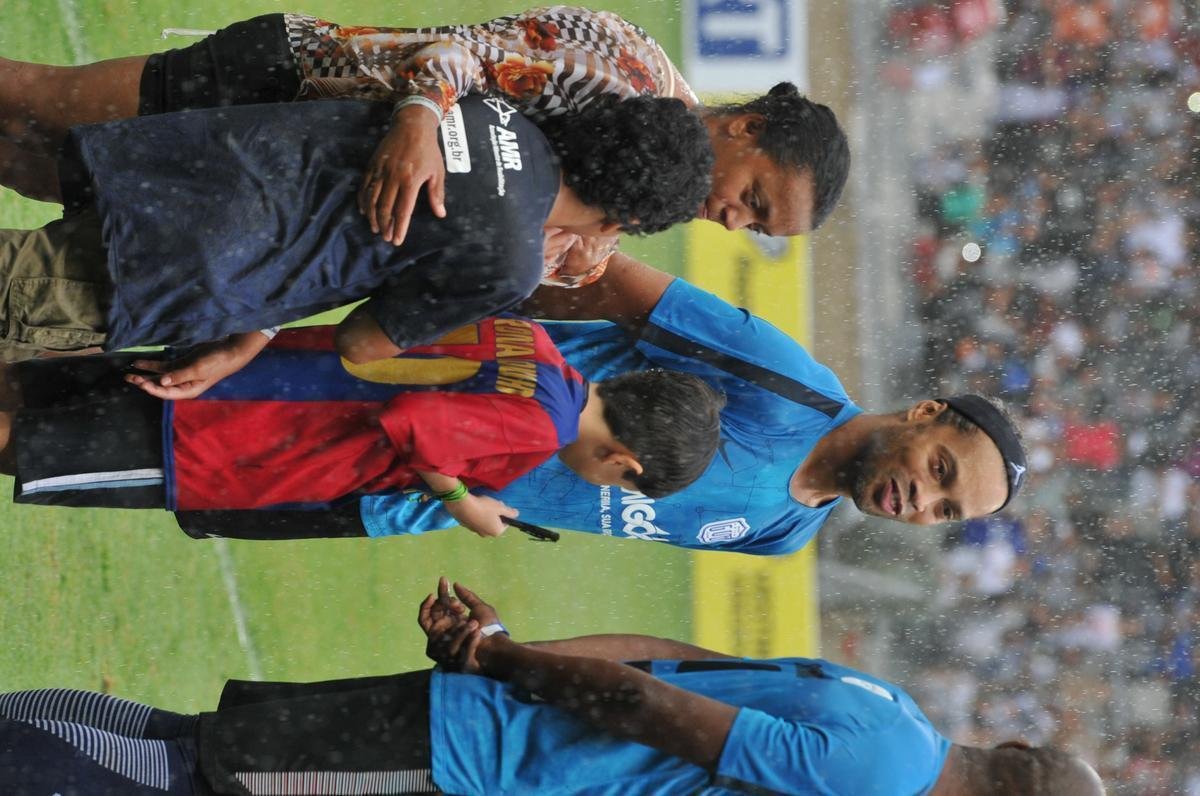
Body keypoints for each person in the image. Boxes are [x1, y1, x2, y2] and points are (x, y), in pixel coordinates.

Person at [175, 255, 1029, 549]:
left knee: (160, 492)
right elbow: (612, 283)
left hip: (397, 507)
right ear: (922, 416)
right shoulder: (786, 383)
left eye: (946, 510)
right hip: (366, 412)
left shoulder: (786, 534)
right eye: (943, 470)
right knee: (139, 411)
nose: (925, 500)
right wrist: (460, 335)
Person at [0, 578, 1106, 794]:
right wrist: (501, 659)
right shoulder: (882, 769)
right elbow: (658, 707)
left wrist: (511, 651)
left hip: (478, 726)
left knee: (190, 744)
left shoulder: (892, 709)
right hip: (471, 759)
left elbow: (669, 656)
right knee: (196, 777)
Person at [0, 8, 850, 243]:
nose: (735, 221)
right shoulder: (620, 68)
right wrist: (416, 123)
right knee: (38, 97)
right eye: (755, 201)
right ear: (747, 130)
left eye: (756, 229)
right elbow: (459, 53)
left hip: (281, 175)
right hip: (286, 81)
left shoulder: (646, 198)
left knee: (50, 175)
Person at [0, 91, 712, 366]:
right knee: (16, 293)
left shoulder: (502, 116)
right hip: (189, 262)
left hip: (178, 170)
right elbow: (361, 343)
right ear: (629, 219)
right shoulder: (509, 260)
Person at [0, 318, 724, 538]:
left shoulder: (531, 342)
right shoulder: (541, 428)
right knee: (27, 445)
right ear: (624, 462)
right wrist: (462, 502)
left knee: (30, 391)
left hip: (243, 369)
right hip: (233, 440)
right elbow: (413, 420)